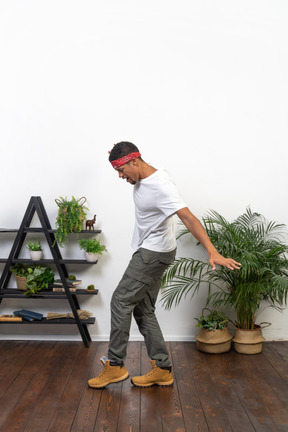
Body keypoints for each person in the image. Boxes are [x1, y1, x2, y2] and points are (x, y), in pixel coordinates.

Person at [88, 142, 241, 389]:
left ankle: (115, 365)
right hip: (157, 250)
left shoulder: (161, 186)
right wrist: (118, 153)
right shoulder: (146, 174)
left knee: (120, 300)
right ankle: (162, 368)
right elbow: (130, 163)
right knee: (143, 309)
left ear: (134, 162)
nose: (120, 176)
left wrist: (212, 252)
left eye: (122, 170)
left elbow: (188, 217)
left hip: (152, 254)